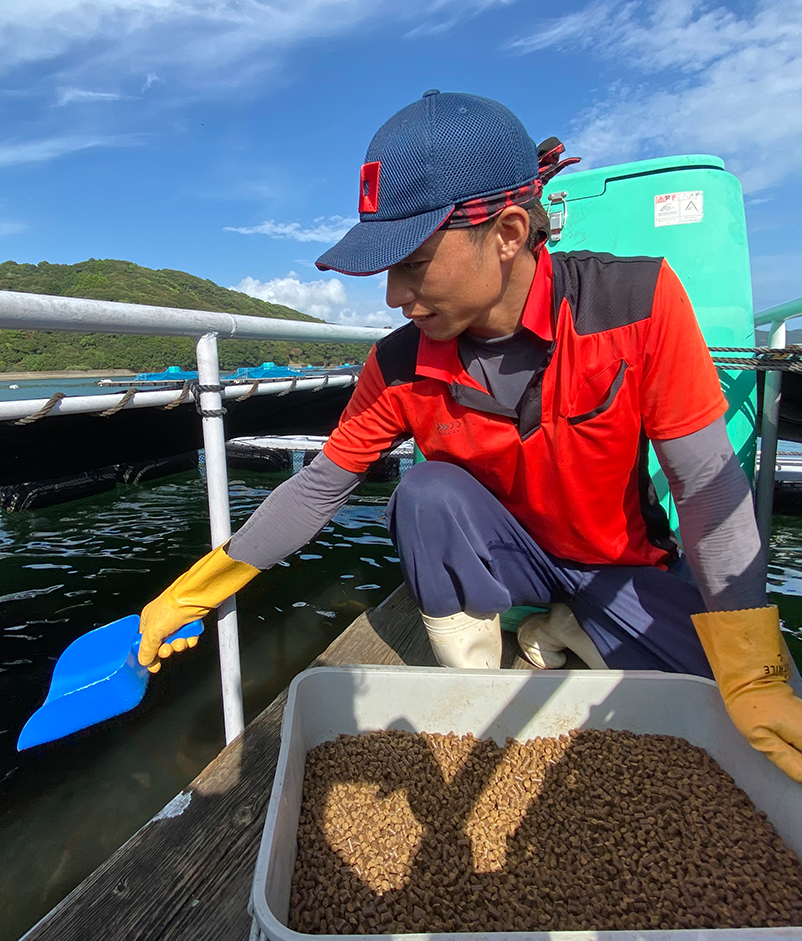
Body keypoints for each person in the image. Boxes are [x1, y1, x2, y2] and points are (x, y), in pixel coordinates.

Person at [138, 90, 802, 783]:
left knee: (738, 710)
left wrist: (753, 671)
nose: (394, 295)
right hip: (509, 561)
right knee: (424, 493)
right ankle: (478, 705)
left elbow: (706, 489)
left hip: (621, 565)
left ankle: (569, 623)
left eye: (414, 261)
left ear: (510, 233)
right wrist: (192, 592)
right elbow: (317, 489)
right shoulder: (397, 364)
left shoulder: (638, 304)